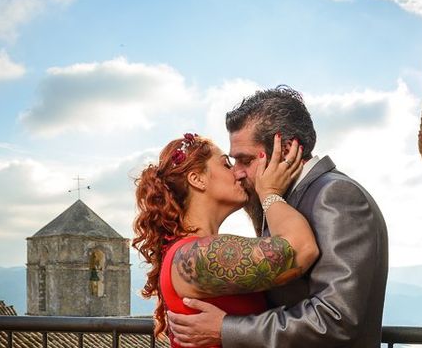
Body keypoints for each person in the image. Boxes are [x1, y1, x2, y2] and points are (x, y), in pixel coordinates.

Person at [167, 86, 389, 348]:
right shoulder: (281, 201)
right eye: (230, 162)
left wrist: (227, 329)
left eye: (245, 160)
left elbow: (336, 318)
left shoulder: (335, 195)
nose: (237, 173)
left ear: (285, 150)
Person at [132, 132, 319, 347]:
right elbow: (302, 249)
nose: (238, 173)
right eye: (226, 164)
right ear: (197, 179)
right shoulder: (194, 254)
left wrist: (226, 327)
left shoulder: (189, 250)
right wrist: (270, 192)